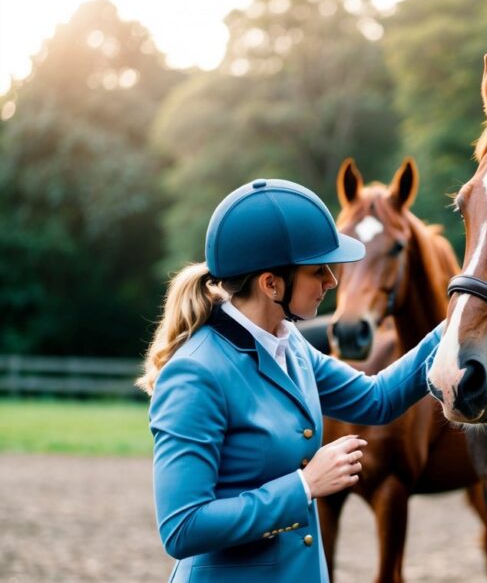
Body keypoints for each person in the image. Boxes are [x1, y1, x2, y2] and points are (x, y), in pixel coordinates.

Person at [138, 178, 442, 583]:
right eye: (319, 271)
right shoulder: (195, 373)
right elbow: (183, 528)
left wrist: (455, 326)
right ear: (271, 283)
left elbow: (377, 399)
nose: (332, 282)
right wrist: (303, 485)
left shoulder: (291, 343)